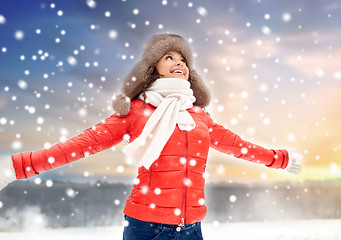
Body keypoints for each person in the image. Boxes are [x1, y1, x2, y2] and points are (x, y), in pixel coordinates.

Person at [0, 34, 302, 240]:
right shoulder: (135, 112)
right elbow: (80, 146)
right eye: (169, 57)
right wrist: (16, 166)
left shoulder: (198, 118)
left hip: (192, 229)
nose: (179, 62)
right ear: (153, 68)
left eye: (183, 59)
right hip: (147, 227)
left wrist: (281, 159)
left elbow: (240, 147)